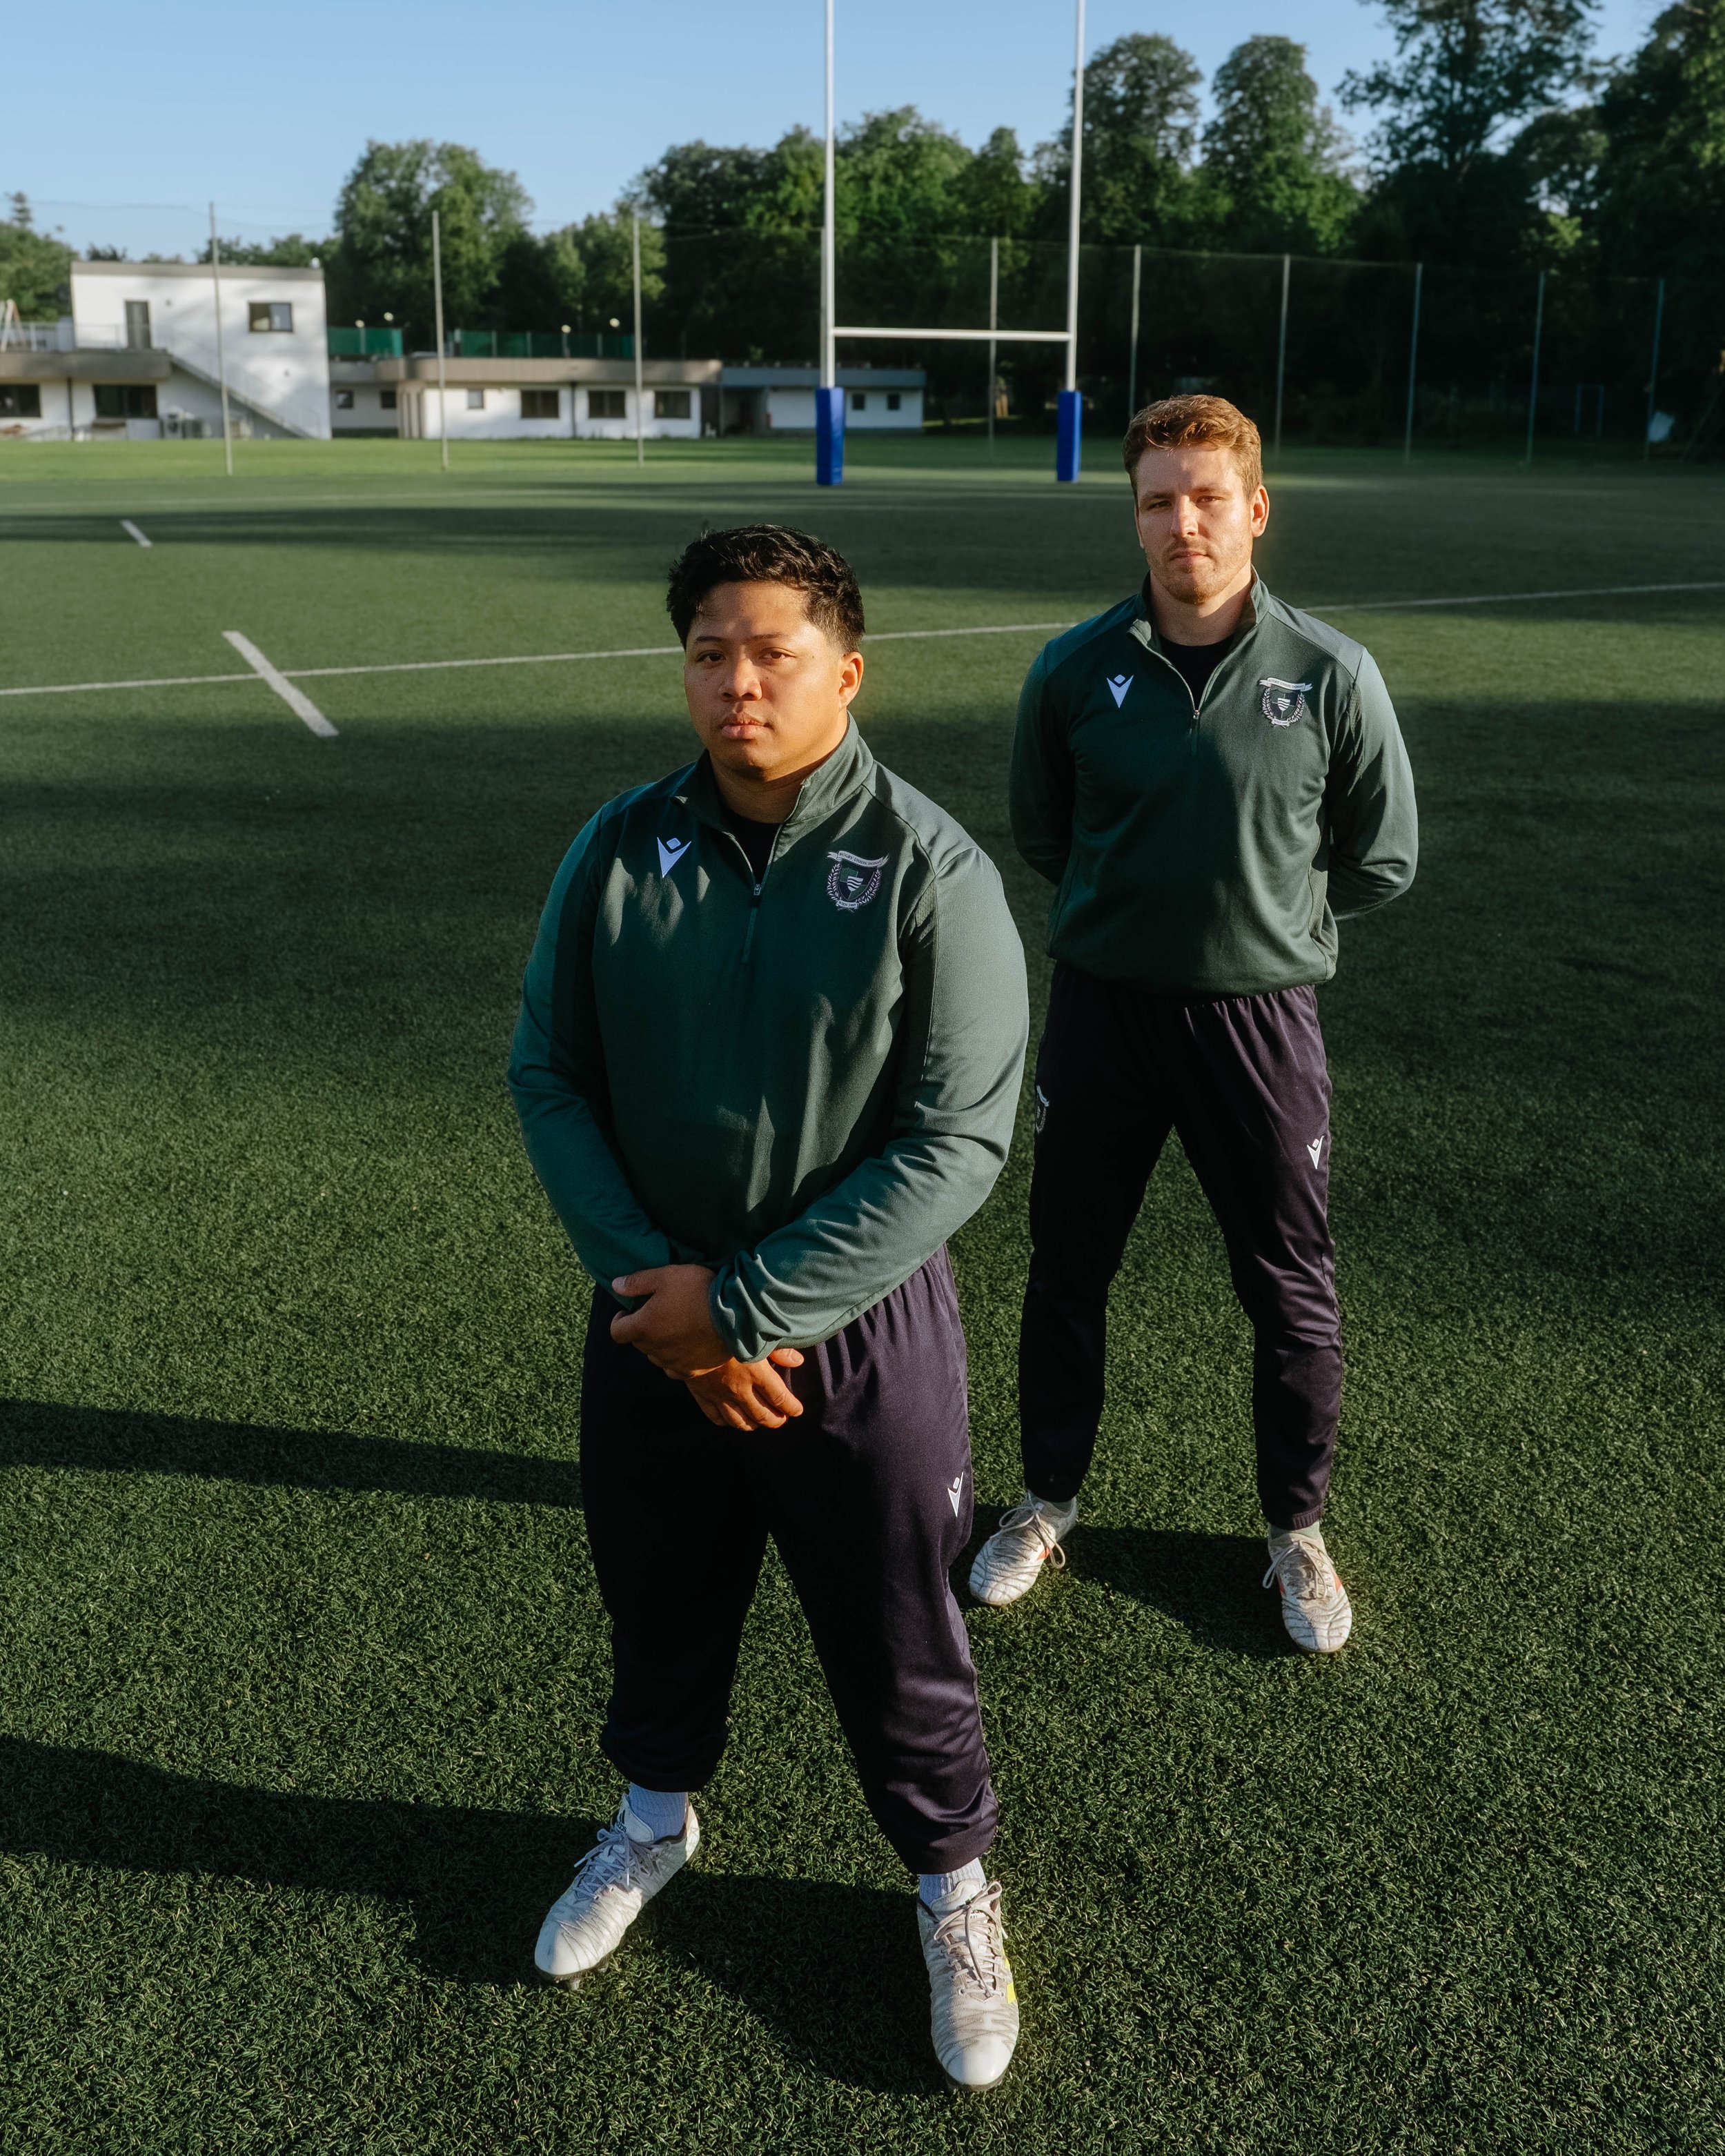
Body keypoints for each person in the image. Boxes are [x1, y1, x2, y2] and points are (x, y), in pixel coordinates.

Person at [508, 524, 1029, 2089]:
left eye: (771, 652)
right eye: (707, 652)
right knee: (659, 1591)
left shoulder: (930, 868)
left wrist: (741, 1305)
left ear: (846, 671)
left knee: (896, 1632)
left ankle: (952, 1884)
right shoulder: (618, 844)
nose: (736, 682)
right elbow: (550, 1071)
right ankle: (653, 1820)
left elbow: (963, 1140)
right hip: (647, 1316)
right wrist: (656, 1296)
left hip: (849, 1333)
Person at [969, 395, 1417, 1652]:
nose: (1184, 522)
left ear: (1256, 509)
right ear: (1136, 516)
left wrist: (1267, 915)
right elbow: (1044, 832)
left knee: (1289, 1287)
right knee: (1067, 1269)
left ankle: (1296, 1530)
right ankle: (1046, 1501)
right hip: (1104, 1014)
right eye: (1159, 499)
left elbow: (1382, 858)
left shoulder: (1332, 673)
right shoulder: (1073, 669)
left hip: (1262, 1023)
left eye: (1208, 496)